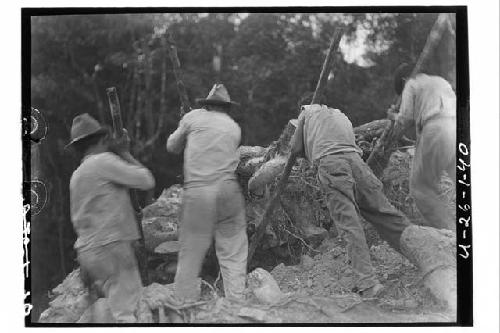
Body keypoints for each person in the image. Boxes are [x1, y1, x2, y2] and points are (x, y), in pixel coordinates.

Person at [290, 104, 412, 297]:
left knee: (350, 225)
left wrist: (303, 140)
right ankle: (424, 254)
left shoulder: (306, 112)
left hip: (332, 164)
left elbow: (295, 148)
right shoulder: (339, 114)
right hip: (358, 163)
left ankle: (368, 283)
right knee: (386, 214)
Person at [67, 113, 155, 323]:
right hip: (111, 246)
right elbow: (146, 180)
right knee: (127, 311)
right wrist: (124, 152)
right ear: (102, 140)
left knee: (109, 311)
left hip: (88, 251)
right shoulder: (103, 162)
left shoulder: (77, 175)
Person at [167, 84, 247, 302]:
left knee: (191, 252)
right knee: (233, 250)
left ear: (207, 105)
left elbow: (172, 146)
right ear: (227, 108)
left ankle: (182, 305)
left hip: (199, 191)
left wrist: (184, 126)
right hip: (228, 190)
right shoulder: (233, 127)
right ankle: (237, 304)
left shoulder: (193, 117)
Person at [388, 63, 456, 230]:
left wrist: (393, 116)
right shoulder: (442, 82)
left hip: (435, 129)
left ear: (404, 80)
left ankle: (452, 236)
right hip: (456, 130)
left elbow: (405, 118)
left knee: (421, 189)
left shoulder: (411, 84)